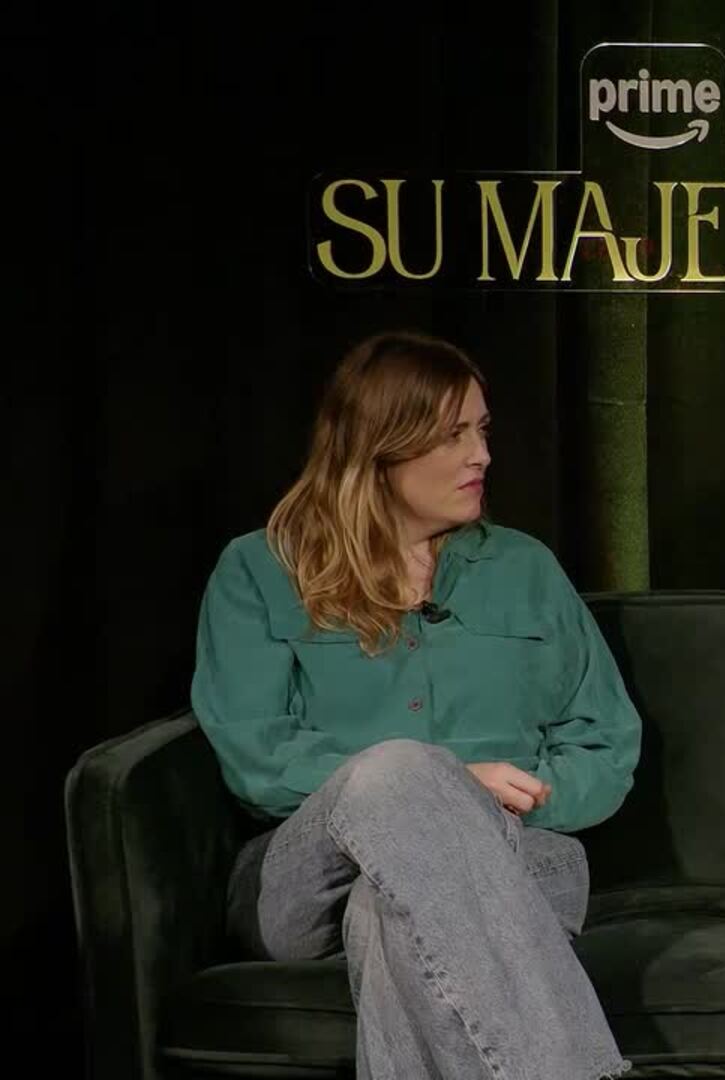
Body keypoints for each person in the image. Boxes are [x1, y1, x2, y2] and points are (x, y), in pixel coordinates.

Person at [192, 330, 640, 1080]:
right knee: (397, 772)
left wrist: (500, 808)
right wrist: (450, 787)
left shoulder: (525, 567)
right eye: (452, 435)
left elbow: (605, 740)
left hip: (520, 851)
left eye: (483, 431)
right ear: (379, 446)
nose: (482, 455)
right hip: (310, 875)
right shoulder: (260, 569)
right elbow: (257, 755)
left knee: (389, 909)